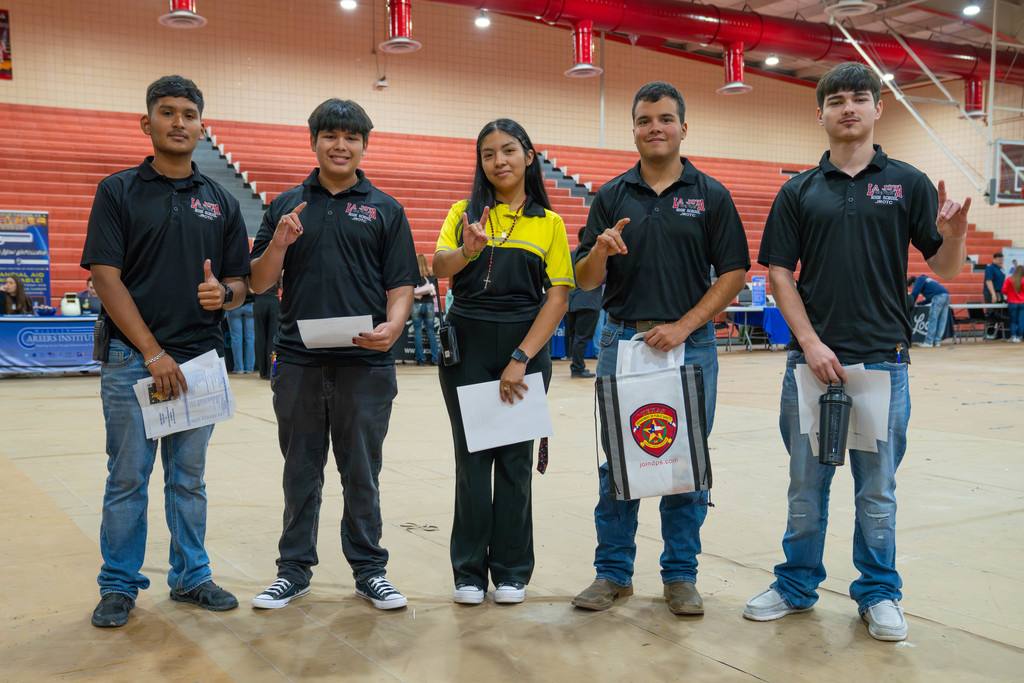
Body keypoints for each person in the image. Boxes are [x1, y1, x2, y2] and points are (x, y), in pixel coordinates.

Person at [745, 62, 971, 642]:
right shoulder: (799, 190)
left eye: (860, 99)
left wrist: (956, 235)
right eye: (837, 100)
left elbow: (943, 265)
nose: (849, 108)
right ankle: (796, 585)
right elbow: (778, 273)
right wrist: (811, 342)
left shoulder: (909, 182)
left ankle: (879, 593)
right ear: (819, 112)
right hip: (812, 364)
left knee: (876, 491)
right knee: (806, 486)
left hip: (884, 361)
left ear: (877, 109)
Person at [572, 82, 749, 616]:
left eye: (666, 118)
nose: (656, 127)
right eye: (645, 119)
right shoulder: (610, 196)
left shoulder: (711, 194)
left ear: (683, 127)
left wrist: (684, 324)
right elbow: (583, 279)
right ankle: (613, 574)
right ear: (634, 128)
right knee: (617, 464)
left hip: (689, 345)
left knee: (684, 463)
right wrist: (600, 252)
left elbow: (735, 273)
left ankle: (680, 576)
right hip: (622, 341)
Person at [81, 75, 250, 628]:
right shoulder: (118, 190)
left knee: (188, 479)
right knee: (128, 476)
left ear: (203, 127)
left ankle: (191, 576)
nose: (179, 122)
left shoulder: (221, 201)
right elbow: (106, 278)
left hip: (200, 361)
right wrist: (153, 354)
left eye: (189, 114)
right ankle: (119, 584)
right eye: (167, 112)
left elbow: (239, 283)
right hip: (135, 361)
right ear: (146, 122)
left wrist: (224, 294)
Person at [249, 98, 418, 612]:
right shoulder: (285, 204)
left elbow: (401, 283)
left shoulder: (386, 208)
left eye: (351, 137)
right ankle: (293, 571)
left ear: (364, 145)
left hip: (365, 365)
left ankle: (370, 570)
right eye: (330, 135)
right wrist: (277, 245)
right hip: (298, 362)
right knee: (300, 469)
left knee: (362, 472)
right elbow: (258, 281)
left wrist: (395, 324)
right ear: (313, 141)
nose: (340, 145)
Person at [433, 118, 572, 606]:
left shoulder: (548, 224)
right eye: (488, 153)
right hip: (466, 346)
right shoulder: (463, 213)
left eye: (509, 150)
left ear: (528, 156)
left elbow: (557, 298)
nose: (499, 161)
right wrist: (467, 251)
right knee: (472, 461)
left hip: (524, 347)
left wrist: (521, 357)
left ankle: (512, 570)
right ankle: (468, 572)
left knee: (514, 462)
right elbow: (438, 267)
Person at [565, 229, 602, 378]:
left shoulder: (570, 255)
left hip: (571, 301)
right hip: (588, 302)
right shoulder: (593, 257)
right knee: (582, 338)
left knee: (574, 336)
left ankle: (577, 366)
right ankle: (577, 368)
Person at [410, 254, 441, 365]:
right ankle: (435, 358)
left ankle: (420, 359)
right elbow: (433, 291)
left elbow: (408, 291)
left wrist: (416, 294)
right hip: (429, 304)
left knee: (417, 331)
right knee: (431, 331)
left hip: (416, 305)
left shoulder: (413, 276)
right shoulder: (431, 276)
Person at [907, 274, 950, 347]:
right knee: (942, 320)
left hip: (938, 297)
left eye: (911, 287)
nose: (912, 288)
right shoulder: (926, 279)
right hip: (946, 295)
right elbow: (929, 299)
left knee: (933, 319)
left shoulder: (919, 280)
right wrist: (920, 303)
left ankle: (929, 341)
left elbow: (915, 293)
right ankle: (937, 341)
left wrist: (910, 303)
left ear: (912, 283)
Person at [253, 278, 281, 379]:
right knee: (273, 338)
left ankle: (262, 371)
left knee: (259, 337)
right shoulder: (276, 268)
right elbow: (282, 285)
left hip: (259, 301)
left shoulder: (256, 265)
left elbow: (251, 289)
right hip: (273, 300)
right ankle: (272, 370)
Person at [225, 287, 256, 373]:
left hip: (235, 305)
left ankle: (239, 368)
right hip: (250, 304)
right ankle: (249, 368)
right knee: (250, 337)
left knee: (236, 338)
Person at [1002, 265, 1024, 342]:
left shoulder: (1009, 279)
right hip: (1022, 302)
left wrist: (1010, 295)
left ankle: (1013, 336)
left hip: (1012, 302)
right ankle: (1020, 336)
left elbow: (1003, 290)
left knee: (1013, 321)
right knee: (1021, 320)